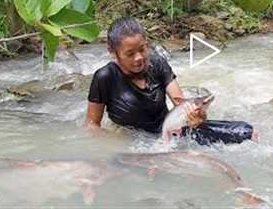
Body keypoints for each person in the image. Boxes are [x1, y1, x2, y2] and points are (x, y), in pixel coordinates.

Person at [84, 17, 255, 145]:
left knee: (246, 132)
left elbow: (180, 103)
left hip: (168, 131)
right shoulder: (105, 77)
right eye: (130, 54)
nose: (139, 58)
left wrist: (198, 116)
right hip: (135, 141)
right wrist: (120, 144)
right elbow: (91, 126)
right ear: (113, 52)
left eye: (142, 49)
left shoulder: (157, 64)